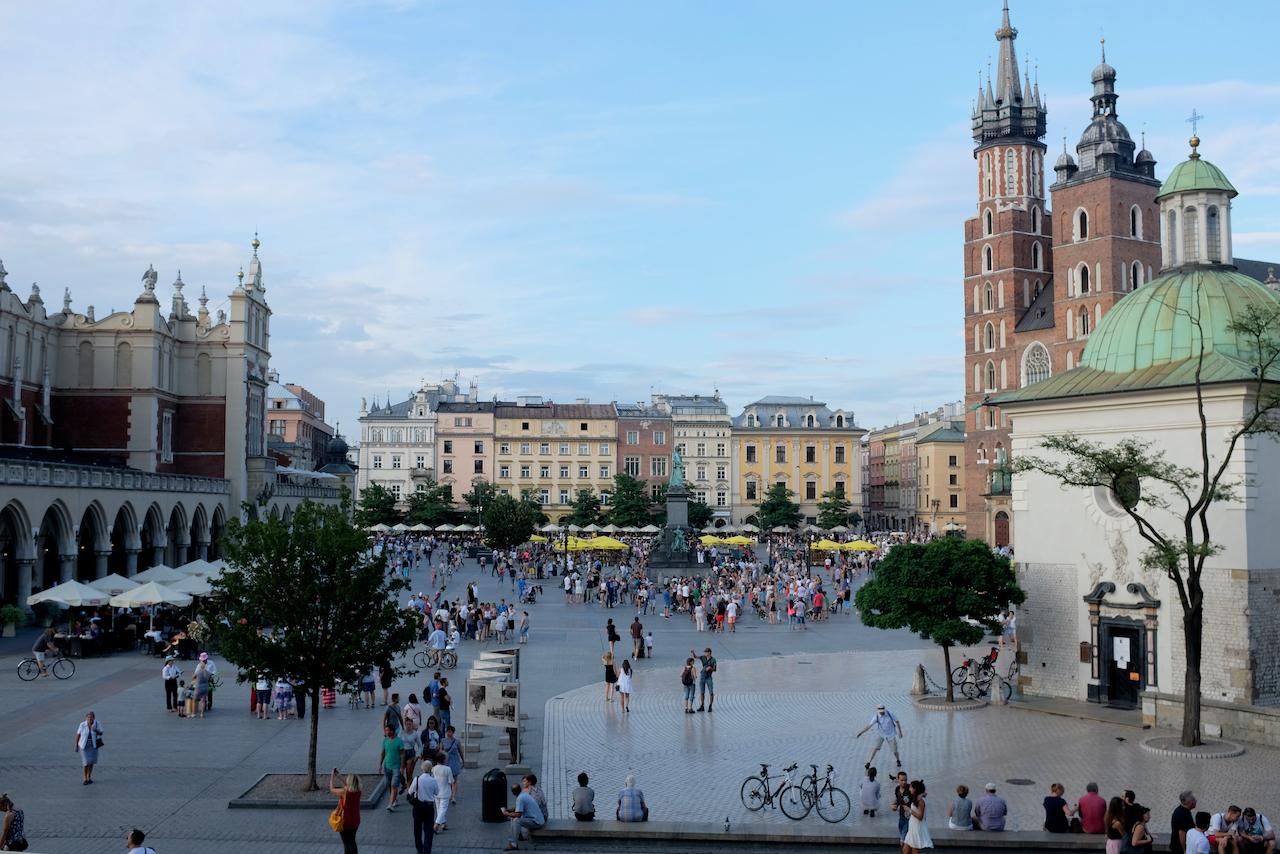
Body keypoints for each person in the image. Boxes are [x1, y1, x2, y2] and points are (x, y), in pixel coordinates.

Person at [501, 775, 544, 851]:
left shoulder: (520, 798)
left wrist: (506, 814)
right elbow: (518, 809)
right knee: (514, 818)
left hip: (536, 822)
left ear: (513, 793)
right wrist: (508, 810)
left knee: (516, 820)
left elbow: (518, 814)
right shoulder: (524, 794)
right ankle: (519, 836)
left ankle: (513, 844)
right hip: (538, 819)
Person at [857, 704, 904, 769]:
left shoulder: (890, 713)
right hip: (881, 734)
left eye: (883, 711)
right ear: (878, 711)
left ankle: (898, 760)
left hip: (891, 734)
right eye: (880, 711)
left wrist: (900, 732)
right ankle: (868, 763)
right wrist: (861, 732)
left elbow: (897, 722)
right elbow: (869, 726)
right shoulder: (876, 716)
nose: (882, 712)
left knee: (894, 750)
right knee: (875, 748)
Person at [407, 760, 438, 854]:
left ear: (422, 768)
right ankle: (427, 850)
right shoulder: (433, 780)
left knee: (417, 828)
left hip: (418, 806)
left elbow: (410, 792)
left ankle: (419, 848)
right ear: (431, 769)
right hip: (429, 806)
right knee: (428, 829)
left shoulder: (417, 779)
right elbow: (437, 792)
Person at [329, 769, 362, 854]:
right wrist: (339, 776)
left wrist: (332, 777)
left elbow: (332, 789)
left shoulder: (344, 792)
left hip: (346, 821)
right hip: (356, 820)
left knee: (346, 843)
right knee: (352, 841)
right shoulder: (358, 790)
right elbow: (349, 785)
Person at [902, 780, 933, 853]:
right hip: (912, 828)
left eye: (910, 787)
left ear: (915, 789)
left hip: (917, 829)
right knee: (905, 851)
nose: (909, 789)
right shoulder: (916, 798)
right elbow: (925, 793)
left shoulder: (920, 801)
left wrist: (909, 810)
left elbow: (920, 817)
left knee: (914, 851)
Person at [74, 710, 103, 785]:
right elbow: (78, 735)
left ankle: (89, 777)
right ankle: (84, 778)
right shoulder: (82, 724)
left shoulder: (97, 723)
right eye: (88, 718)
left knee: (91, 762)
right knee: (86, 762)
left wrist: (95, 730)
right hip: (84, 745)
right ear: (86, 718)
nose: (90, 719)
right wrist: (76, 745)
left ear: (94, 718)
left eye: (91, 718)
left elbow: (101, 733)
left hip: (93, 745)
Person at [379, 724, 403, 812]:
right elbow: (383, 753)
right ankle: (394, 799)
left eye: (388, 730)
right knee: (389, 784)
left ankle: (390, 804)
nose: (387, 732)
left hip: (396, 767)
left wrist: (402, 767)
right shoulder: (385, 740)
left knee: (394, 785)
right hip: (387, 766)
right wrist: (380, 765)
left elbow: (402, 754)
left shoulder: (399, 741)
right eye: (386, 730)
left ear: (393, 731)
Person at [431, 751, 454, 831]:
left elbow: (432, 779)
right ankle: (436, 824)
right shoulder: (447, 769)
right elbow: (451, 781)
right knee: (443, 809)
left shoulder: (433, 768)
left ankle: (444, 824)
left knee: (439, 809)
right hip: (445, 791)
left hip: (436, 792)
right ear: (444, 760)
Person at [440, 726, 463, 804]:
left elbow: (460, 751)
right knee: (447, 780)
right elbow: (440, 753)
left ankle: (453, 797)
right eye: (448, 731)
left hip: (454, 761)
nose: (449, 733)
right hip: (446, 762)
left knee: (454, 780)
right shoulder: (442, 741)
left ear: (453, 732)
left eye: (450, 732)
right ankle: (449, 794)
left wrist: (463, 760)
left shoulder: (457, 741)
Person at [693, 647, 716, 712]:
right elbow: (695, 657)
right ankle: (702, 706)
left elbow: (715, 670)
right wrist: (693, 653)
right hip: (702, 677)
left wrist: (710, 668)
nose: (705, 653)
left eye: (706, 652)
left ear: (709, 653)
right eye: (704, 652)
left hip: (709, 677)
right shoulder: (703, 657)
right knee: (702, 692)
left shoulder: (713, 660)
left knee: (711, 692)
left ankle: (710, 706)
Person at [892, 771, 912, 841]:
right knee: (903, 836)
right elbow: (897, 800)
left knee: (903, 839)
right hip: (901, 816)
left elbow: (922, 793)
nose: (904, 782)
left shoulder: (910, 788)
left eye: (905, 780)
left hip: (910, 818)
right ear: (898, 780)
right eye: (902, 780)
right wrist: (894, 806)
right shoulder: (897, 789)